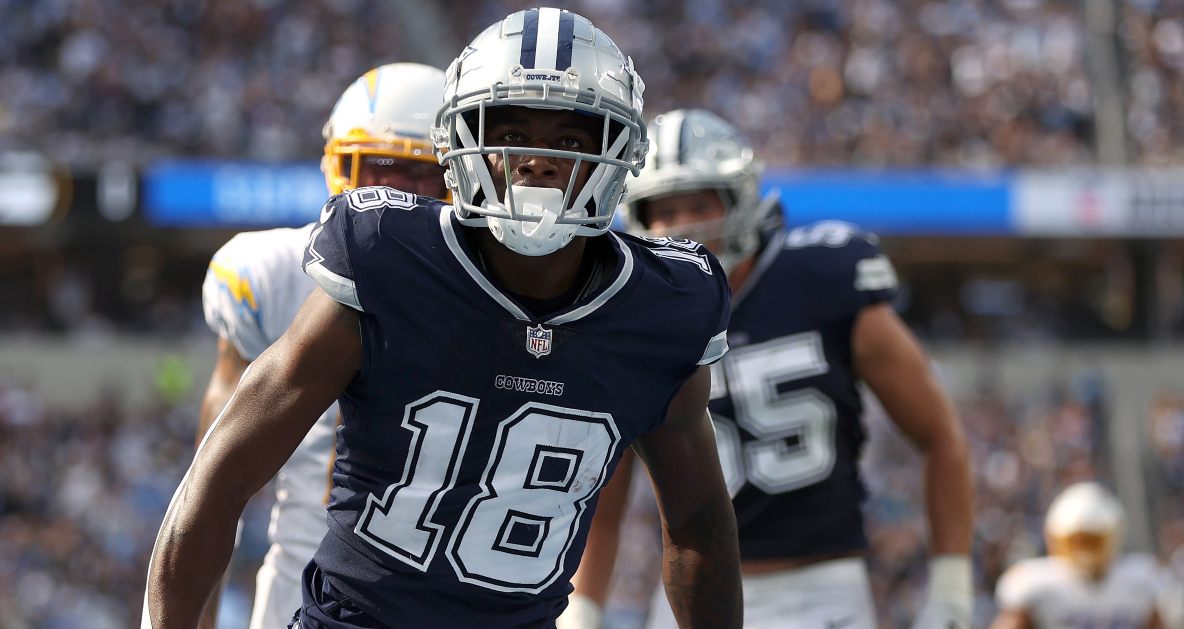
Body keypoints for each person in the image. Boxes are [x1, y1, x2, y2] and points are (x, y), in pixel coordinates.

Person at [144, 8, 742, 629]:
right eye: (510, 134)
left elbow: (698, 525)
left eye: (568, 141)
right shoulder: (388, 258)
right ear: (463, 143)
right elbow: (221, 475)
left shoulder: (665, 304)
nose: (536, 162)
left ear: (617, 152)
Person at [566, 108, 974, 629]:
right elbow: (606, 492)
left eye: (700, 202)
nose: (684, 225)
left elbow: (940, 436)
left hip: (819, 592)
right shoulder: (632, 315)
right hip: (687, 591)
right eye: (664, 210)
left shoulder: (823, 277)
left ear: (742, 200)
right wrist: (585, 609)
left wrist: (952, 590)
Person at [195, 62, 448, 629]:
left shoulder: (503, 294)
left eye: (417, 175)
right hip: (300, 595)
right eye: (375, 170)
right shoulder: (270, 276)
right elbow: (213, 487)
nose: (393, 197)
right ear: (338, 169)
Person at [992, 482, 1166, 629]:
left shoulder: (1139, 581)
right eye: (1077, 542)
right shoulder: (1035, 584)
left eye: (1092, 541)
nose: (1084, 551)